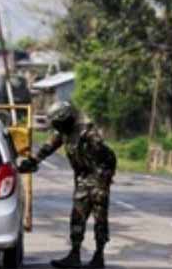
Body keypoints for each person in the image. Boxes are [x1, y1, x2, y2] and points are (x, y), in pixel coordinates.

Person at [18, 101, 116, 269]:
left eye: (58, 122)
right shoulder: (63, 132)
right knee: (77, 216)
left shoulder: (88, 132)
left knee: (100, 218)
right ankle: (74, 255)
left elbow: (109, 156)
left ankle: (99, 256)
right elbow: (48, 147)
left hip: (98, 178)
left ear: (66, 118)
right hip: (82, 179)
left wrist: (104, 178)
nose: (56, 126)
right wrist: (33, 161)